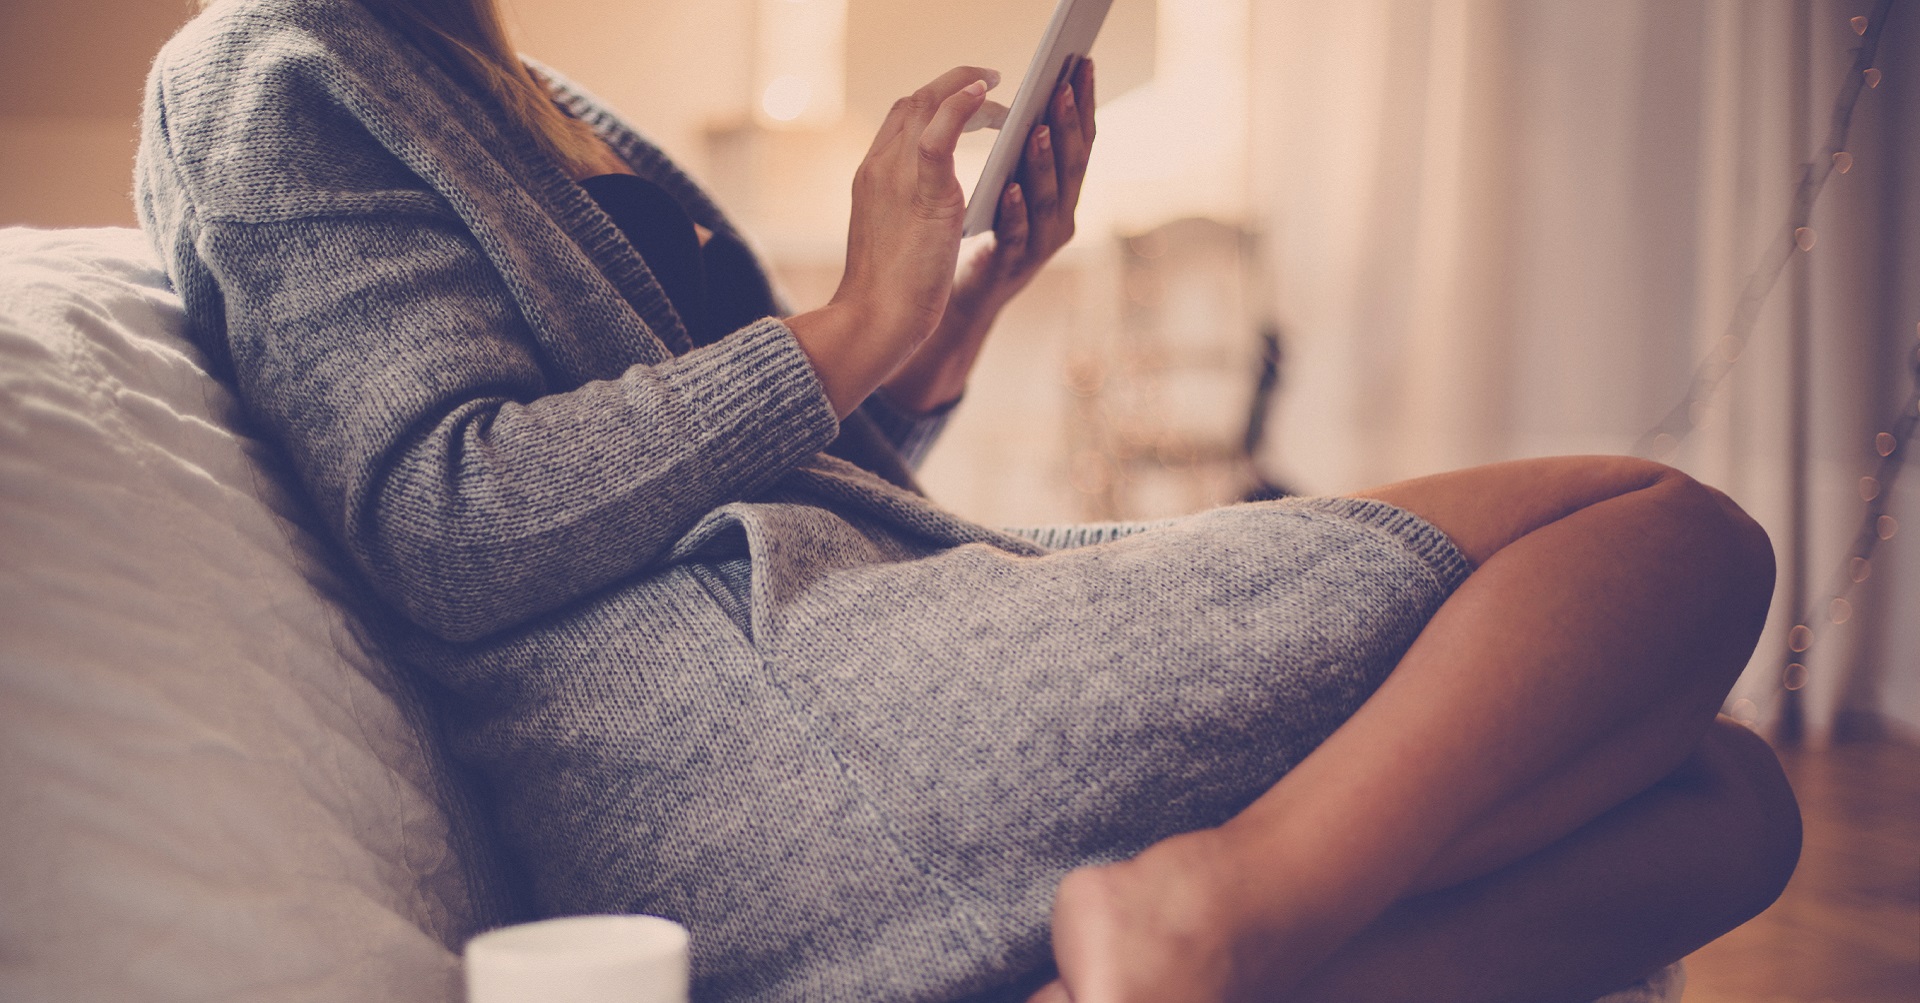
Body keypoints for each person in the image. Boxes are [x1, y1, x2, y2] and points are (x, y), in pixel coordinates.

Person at [136, 1, 1802, 1000]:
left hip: (848, 672)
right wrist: (846, 320)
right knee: (1668, 537)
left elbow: (744, 495)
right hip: (759, 773)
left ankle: (1173, 971)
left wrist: (935, 343)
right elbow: (451, 516)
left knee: (1729, 807)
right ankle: (1209, 913)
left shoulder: (525, 92)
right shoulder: (267, 68)